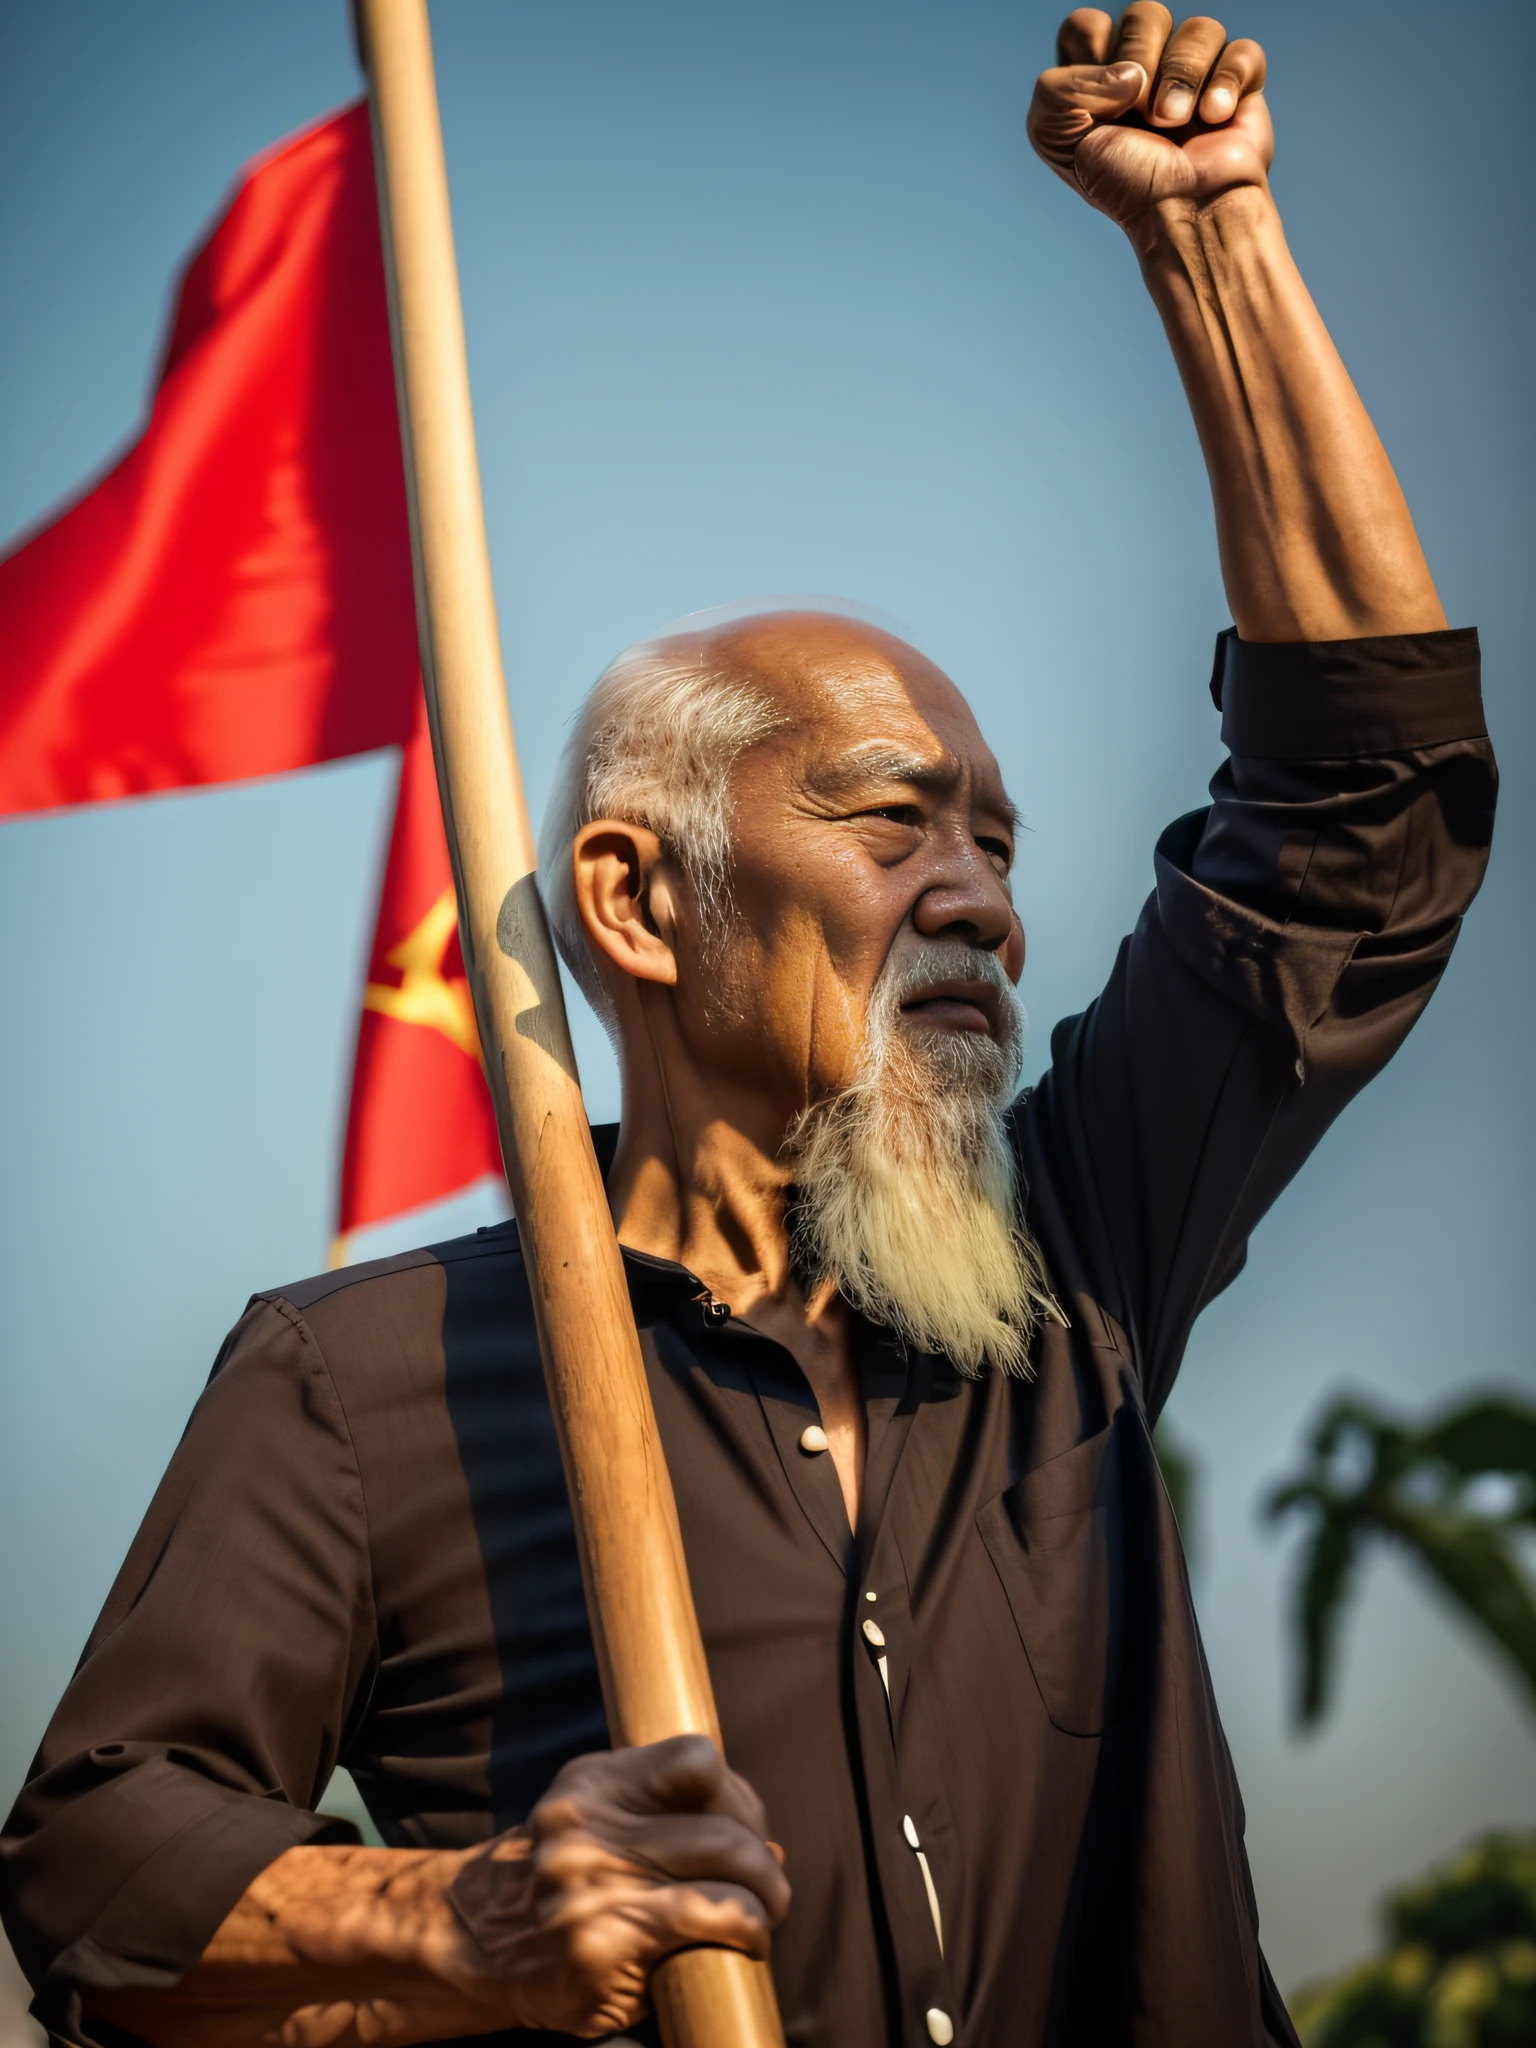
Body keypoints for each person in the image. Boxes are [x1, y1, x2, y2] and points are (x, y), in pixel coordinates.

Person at [0, 9, 1497, 2047]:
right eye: (896, 822)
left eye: (994, 840)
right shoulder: (358, 1384)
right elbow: (97, 1861)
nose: (980, 893)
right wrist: (475, 1913)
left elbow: (1363, 816)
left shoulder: (1075, 1264)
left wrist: (1213, 242)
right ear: (635, 901)